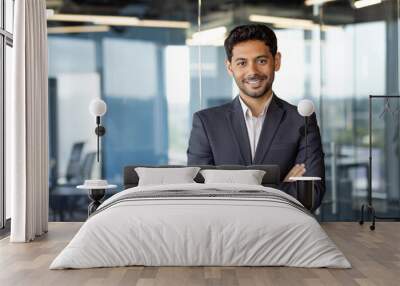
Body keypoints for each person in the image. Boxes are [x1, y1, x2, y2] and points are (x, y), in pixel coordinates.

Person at [187, 24, 325, 210]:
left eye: (261, 61)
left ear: (276, 61)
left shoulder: (301, 121)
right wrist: (280, 186)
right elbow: (199, 194)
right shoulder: (207, 123)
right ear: (230, 67)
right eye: (242, 63)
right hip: (225, 235)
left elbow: (311, 195)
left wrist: (236, 192)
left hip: (283, 234)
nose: (252, 72)